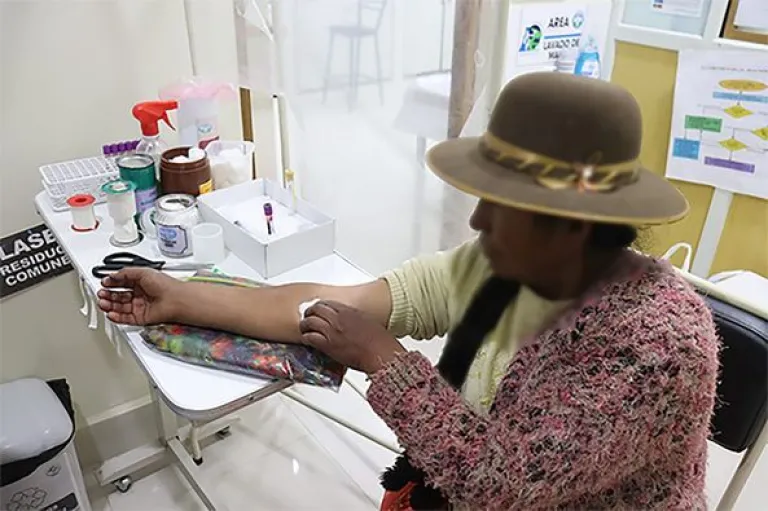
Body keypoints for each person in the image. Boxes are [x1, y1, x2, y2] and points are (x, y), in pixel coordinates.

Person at [98, 73, 719, 510]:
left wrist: (383, 359)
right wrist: (181, 297)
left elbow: (501, 485)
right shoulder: (503, 267)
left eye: (500, 207)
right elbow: (331, 306)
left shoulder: (655, 346)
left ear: (574, 224)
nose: (477, 221)